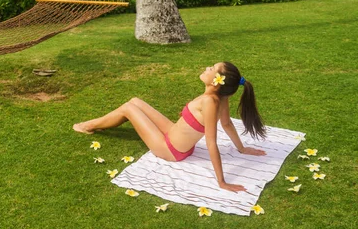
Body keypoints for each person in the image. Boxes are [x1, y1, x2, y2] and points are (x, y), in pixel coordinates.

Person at [73, 62, 267, 192]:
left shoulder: (210, 101)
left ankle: (88, 126)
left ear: (218, 82)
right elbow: (226, 123)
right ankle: (94, 124)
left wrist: (222, 182)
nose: (207, 67)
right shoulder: (221, 98)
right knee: (135, 101)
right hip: (174, 134)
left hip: (170, 149)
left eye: (212, 68)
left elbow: (211, 142)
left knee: (128, 109)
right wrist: (241, 149)